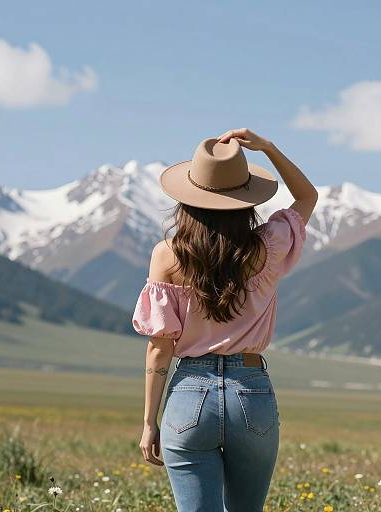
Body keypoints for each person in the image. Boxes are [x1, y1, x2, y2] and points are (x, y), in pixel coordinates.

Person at [131, 128, 318, 511]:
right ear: (247, 201)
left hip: (188, 393)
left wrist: (150, 421)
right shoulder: (270, 246)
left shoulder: (166, 256)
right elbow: (307, 196)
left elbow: (158, 349)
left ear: (188, 199)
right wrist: (268, 149)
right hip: (252, 390)